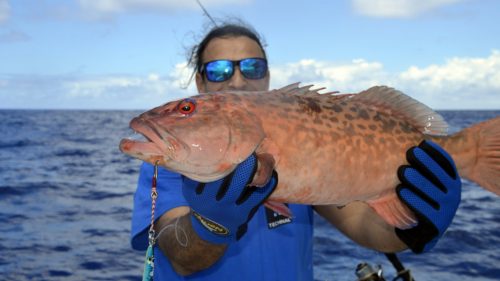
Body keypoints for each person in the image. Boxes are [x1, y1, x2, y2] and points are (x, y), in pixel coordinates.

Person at [131, 21, 462, 280]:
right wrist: (208, 224)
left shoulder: (297, 135)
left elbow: (367, 227)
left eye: (252, 67)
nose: (237, 80)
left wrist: (415, 228)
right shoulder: (169, 163)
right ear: (201, 84)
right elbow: (180, 255)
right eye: (218, 70)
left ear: (268, 76)